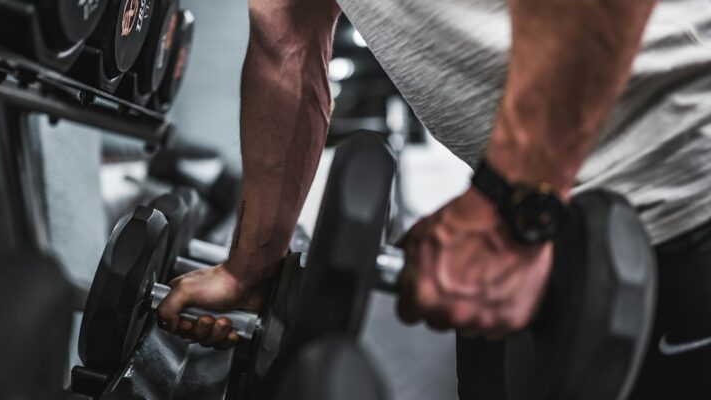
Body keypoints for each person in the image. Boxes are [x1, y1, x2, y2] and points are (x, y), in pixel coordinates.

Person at [158, 0, 711, 398]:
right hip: (540, 216)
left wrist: (508, 208)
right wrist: (250, 268)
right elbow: (287, 45)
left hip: (679, 191)